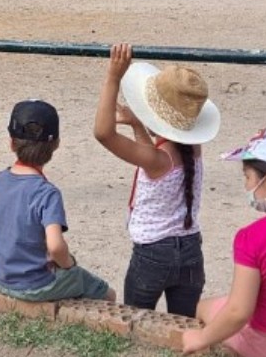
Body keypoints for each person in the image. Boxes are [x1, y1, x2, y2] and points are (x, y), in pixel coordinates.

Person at [93, 43, 219, 317]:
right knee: (182, 324)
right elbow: (153, 155)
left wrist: (113, 77)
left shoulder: (157, 160)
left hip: (152, 254)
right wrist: (138, 125)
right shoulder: (191, 150)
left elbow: (104, 133)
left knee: (137, 321)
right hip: (190, 252)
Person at [182, 124, 266, 357]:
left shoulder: (251, 236)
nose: (246, 186)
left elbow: (238, 312)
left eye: (248, 177)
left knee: (204, 306)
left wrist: (201, 338)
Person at [0, 100, 115, 303]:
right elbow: (55, 246)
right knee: (105, 292)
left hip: (3, 278)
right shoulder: (47, 193)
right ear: (56, 144)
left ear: (11, 143)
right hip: (36, 284)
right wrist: (68, 264)